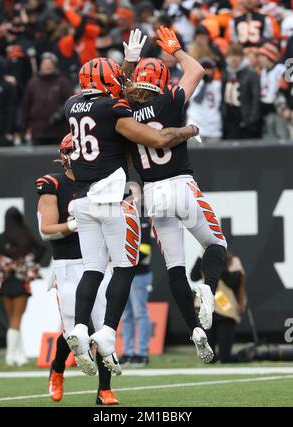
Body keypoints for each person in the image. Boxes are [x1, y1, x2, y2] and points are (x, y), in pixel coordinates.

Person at [64, 45, 197, 374]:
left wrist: (128, 63)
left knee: (93, 269)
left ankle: (80, 327)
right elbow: (157, 140)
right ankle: (108, 332)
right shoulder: (112, 110)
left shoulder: (72, 106)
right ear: (108, 82)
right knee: (125, 266)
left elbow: (115, 95)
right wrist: (190, 130)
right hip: (110, 198)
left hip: (81, 201)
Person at [126, 26, 228, 363]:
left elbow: (118, 95)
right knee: (216, 245)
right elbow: (196, 70)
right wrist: (176, 48)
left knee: (174, 267)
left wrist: (129, 62)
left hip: (152, 193)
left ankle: (194, 328)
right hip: (180, 184)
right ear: (161, 81)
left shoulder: (123, 113)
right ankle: (208, 290)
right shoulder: (168, 100)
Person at [36, 134, 118, 405]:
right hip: (68, 264)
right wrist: (75, 224)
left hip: (96, 261)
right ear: (65, 155)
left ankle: (104, 390)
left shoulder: (98, 182)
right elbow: (46, 230)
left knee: (104, 327)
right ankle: (57, 368)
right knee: (74, 331)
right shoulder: (53, 184)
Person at [0, 207, 45, 366]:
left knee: (13, 321)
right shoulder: (26, 235)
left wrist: (4, 263)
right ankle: (10, 355)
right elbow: (43, 248)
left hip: (6, 283)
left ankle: (20, 355)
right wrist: (31, 262)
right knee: (15, 320)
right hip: (21, 283)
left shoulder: (0, 238)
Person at [191, 251, 247, 363]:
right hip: (207, 309)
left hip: (226, 311)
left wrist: (217, 261)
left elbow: (232, 281)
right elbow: (193, 276)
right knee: (209, 357)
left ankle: (245, 356)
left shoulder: (233, 261)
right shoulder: (204, 261)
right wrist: (201, 257)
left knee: (225, 357)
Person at [120, 185, 152, 367]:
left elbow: (145, 249)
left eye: (134, 192)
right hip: (124, 273)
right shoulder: (118, 215)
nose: (131, 195)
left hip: (139, 272)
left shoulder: (143, 217)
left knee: (140, 312)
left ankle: (142, 352)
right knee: (125, 314)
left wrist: (122, 257)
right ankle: (128, 351)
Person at [21, 52, 74, 145]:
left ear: (55, 66)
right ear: (40, 65)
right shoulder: (33, 83)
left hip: (59, 131)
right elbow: (26, 106)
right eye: (45, 64)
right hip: (37, 131)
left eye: (50, 64)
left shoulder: (63, 82)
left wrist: (60, 114)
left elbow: (71, 102)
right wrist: (24, 127)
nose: (47, 66)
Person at [222, 43, 262, 139]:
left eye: (236, 55)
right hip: (230, 119)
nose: (233, 59)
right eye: (231, 55)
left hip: (246, 119)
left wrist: (251, 119)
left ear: (242, 57)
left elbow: (256, 97)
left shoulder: (251, 74)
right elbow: (223, 97)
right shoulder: (226, 74)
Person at [186, 57, 222, 143]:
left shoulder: (218, 85)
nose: (207, 71)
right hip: (195, 126)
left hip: (214, 127)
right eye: (205, 68)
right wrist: (205, 83)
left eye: (209, 69)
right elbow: (197, 100)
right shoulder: (193, 83)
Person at [258, 42, 288, 141]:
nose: (260, 59)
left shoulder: (281, 70)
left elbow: (284, 91)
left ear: (269, 56)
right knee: (268, 141)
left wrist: (284, 108)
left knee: (282, 139)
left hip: (279, 111)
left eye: (262, 56)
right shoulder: (263, 71)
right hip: (267, 112)